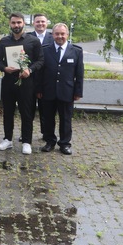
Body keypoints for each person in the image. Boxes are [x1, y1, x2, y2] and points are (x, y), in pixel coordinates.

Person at [0, 12, 44, 155]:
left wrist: (30, 69)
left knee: (26, 113)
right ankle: (7, 139)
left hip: (27, 82)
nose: (16, 25)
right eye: (13, 23)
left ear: (23, 23)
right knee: (8, 112)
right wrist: (4, 68)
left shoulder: (33, 41)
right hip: (8, 82)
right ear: (10, 24)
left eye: (19, 23)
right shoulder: (4, 41)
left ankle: (26, 142)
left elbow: (40, 60)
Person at [37, 23, 84, 155]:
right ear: (52, 35)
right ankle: (50, 141)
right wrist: (39, 89)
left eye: (62, 34)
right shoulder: (45, 50)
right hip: (48, 90)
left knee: (66, 119)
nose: (60, 36)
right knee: (47, 118)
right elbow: (40, 72)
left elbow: (79, 74)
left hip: (67, 91)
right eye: (57, 34)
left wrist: (78, 92)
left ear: (67, 35)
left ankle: (64, 144)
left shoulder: (76, 51)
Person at [28, 13, 53, 138]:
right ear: (33, 23)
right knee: (28, 109)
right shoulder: (27, 37)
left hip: (46, 80)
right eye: (38, 22)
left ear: (47, 23)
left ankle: (46, 134)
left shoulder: (53, 37)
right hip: (30, 78)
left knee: (46, 110)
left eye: (43, 21)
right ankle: (26, 133)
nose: (40, 24)